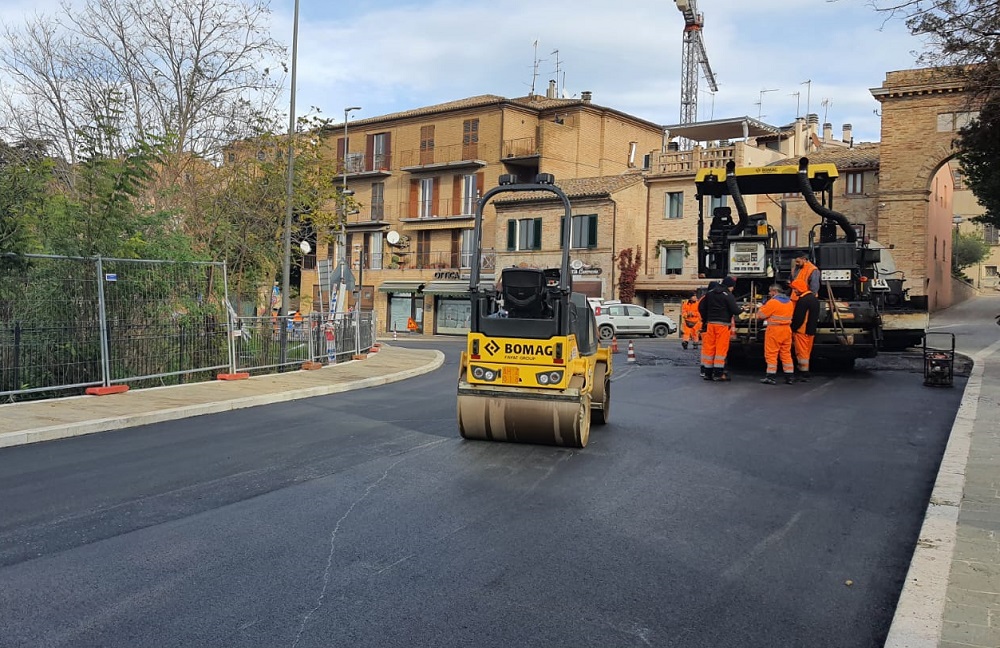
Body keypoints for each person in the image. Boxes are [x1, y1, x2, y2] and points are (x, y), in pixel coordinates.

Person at [698, 276, 741, 381]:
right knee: (721, 349)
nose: (732, 289)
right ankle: (718, 374)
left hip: (710, 324)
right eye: (732, 287)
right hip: (722, 325)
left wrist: (706, 318)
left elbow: (702, 307)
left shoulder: (709, 294)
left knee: (710, 348)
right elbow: (735, 311)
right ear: (730, 286)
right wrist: (741, 310)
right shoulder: (727, 295)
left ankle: (707, 373)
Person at [756, 284, 795, 384]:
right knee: (786, 354)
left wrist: (761, 307)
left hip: (774, 331)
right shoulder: (789, 302)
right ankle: (789, 377)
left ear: (774, 291)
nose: (769, 294)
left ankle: (771, 377)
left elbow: (761, 316)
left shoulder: (772, 302)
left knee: (771, 353)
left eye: (770, 292)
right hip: (786, 330)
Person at [790, 278, 820, 382]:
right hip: (811, 331)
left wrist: (792, 328)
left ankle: (804, 373)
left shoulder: (802, 301)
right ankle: (805, 371)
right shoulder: (814, 299)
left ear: (800, 288)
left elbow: (799, 318)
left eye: (795, 289)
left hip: (801, 331)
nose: (794, 291)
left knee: (801, 353)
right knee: (807, 352)